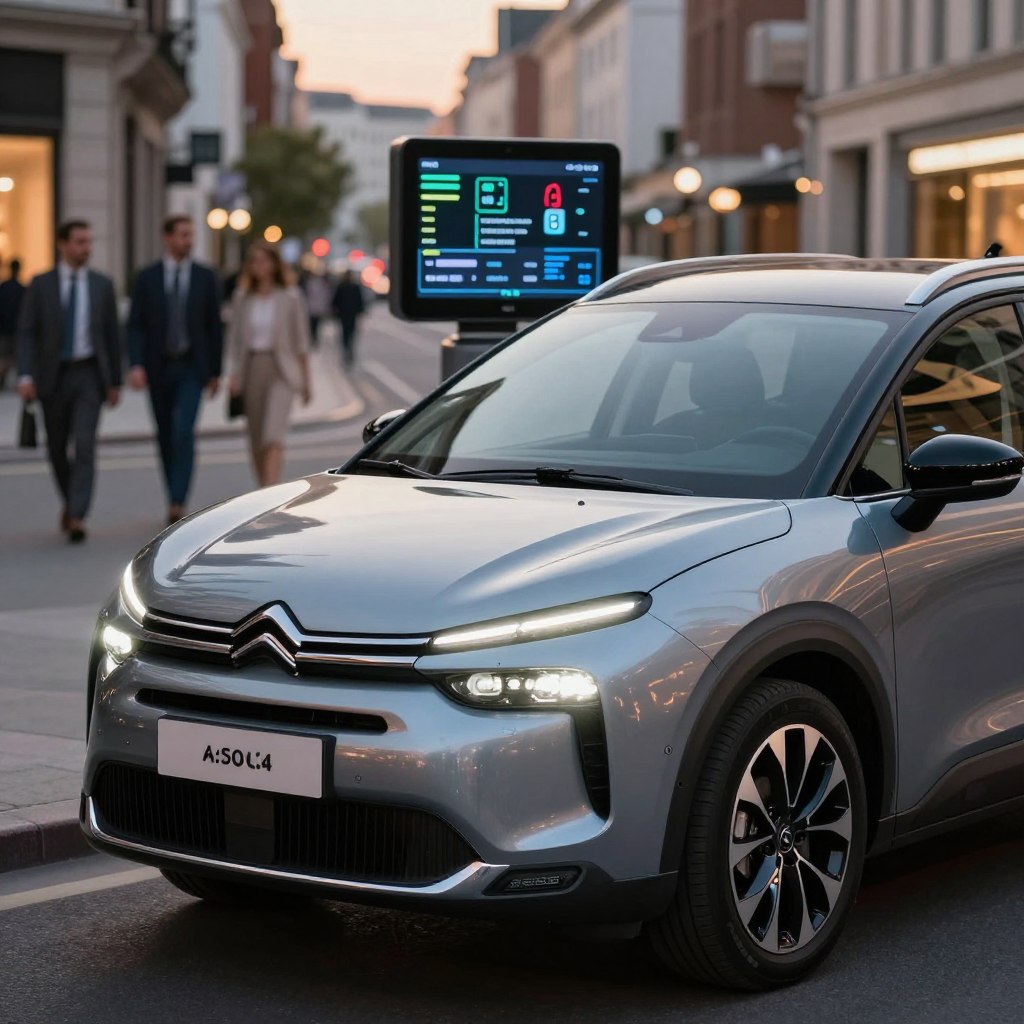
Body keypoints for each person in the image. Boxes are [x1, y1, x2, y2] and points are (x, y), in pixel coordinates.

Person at [16, 220, 121, 543]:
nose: (85, 248)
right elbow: (27, 332)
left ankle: (77, 514)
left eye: (88, 242)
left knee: (86, 445)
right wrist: (25, 374)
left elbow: (111, 336)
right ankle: (70, 501)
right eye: (79, 242)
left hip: (89, 374)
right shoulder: (41, 284)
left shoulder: (102, 285)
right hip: (53, 376)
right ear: (62, 244)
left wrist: (114, 381)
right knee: (58, 447)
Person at [127, 214, 223, 524]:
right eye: (183, 235)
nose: (188, 241)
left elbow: (214, 327)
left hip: (191, 368)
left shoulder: (205, 277)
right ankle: (172, 492)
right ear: (167, 238)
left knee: (184, 431)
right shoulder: (147, 277)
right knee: (166, 434)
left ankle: (178, 501)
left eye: (191, 235)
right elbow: (136, 326)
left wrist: (215, 371)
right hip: (158, 367)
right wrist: (136, 364)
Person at [227, 242, 312, 487]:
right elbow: (235, 341)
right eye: (254, 261)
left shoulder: (290, 296)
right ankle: (262, 490)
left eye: (264, 260)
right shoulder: (242, 297)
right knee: (255, 438)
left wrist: (307, 382)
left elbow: (302, 342)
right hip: (252, 367)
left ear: (275, 264)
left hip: (282, 370)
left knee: (273, 435)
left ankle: (269, 489)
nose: (259, 266)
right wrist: (234, 375)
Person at [331, 268, 365, 369]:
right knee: (349, 332)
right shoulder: (351, 286)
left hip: (346, 314)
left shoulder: (346, 286)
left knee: (347, 332)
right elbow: (360, 301)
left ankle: (347, 349)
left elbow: (359, 300)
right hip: (348, 314)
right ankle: (348, 349)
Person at [0, 258, 26, 389]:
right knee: (14, 358)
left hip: (5, 329)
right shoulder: (21, 289)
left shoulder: (3, 287)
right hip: (15, 329)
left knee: (4, 358)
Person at [301, 269, 332, 349]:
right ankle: (313, 338)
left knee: (315, 324)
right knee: (312, 325)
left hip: (315, 308)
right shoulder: (310, 284)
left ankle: (314, 338)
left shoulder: (318, 284)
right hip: (312, 308)